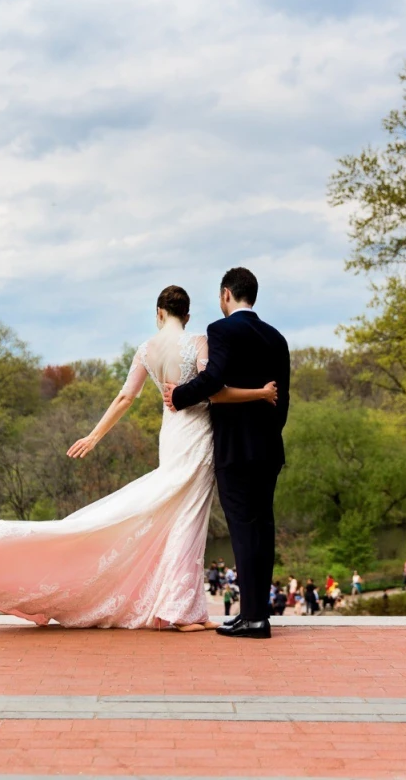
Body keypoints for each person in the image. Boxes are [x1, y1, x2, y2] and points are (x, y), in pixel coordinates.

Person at [0, 284, 279, 631]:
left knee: (175, 513)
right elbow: (210, 390)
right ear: (188, 315)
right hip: (196, 437)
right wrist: (259, 393)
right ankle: (180, 609)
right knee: (188, 516)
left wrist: (94, 435)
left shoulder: (147, 349)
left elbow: (124, 398)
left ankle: (178, 605)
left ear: (159, 313)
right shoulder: (198, 342)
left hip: (173, 437)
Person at [165, 269, 290, 639]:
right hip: (268, 448)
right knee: (262, 530)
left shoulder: (222, 331)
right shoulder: (276, 337)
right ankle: (255, 612)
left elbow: (214, 379)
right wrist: (267, 433)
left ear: (226, 295)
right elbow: (282, 402)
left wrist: (180, 396)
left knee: (242, 531)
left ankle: (253, 620)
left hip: (236, 449)